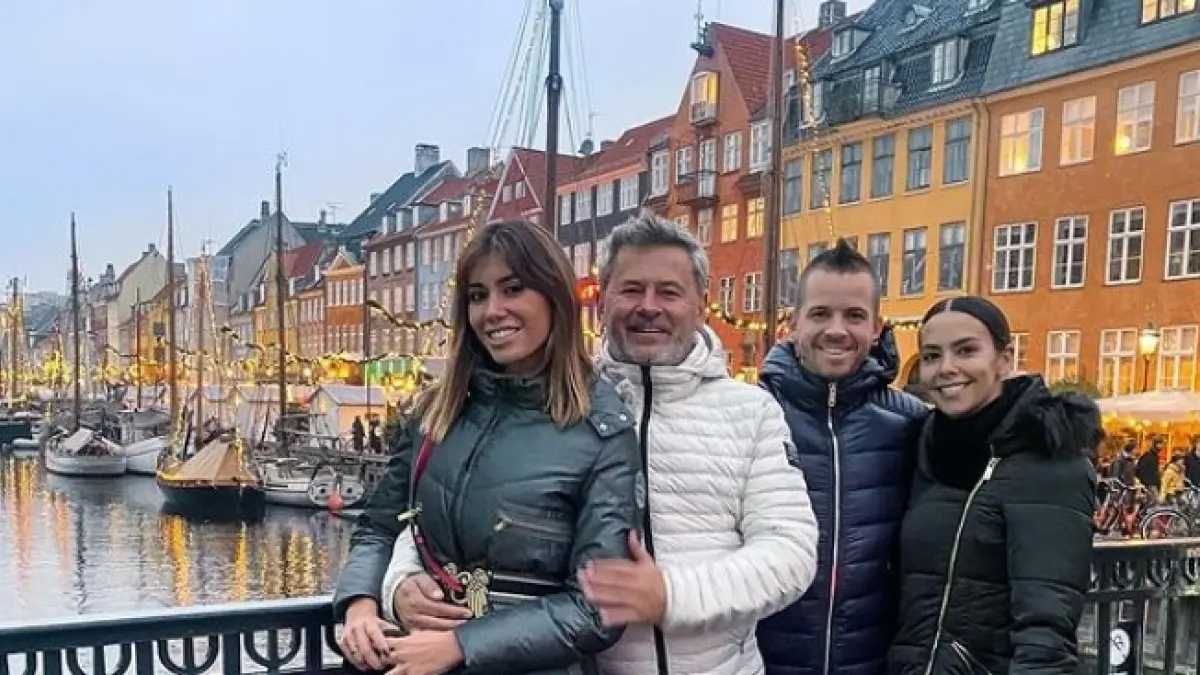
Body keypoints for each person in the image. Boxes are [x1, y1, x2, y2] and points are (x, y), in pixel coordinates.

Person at [334, 219, 642, 675]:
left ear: (554, 295)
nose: (492, 311)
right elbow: (379, 525)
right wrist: (362, 604)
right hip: (416, 660)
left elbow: (599, 608)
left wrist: (461, 644)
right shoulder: (439, 412)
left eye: (513, 289)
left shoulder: (600, 428)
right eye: (478, 296)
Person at [577, 213, 820, 674]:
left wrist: (671, 595)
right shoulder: (569, 407)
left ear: (702, 304)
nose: (649, 306)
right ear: (603, 300)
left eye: (669, 292)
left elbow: (790, 552)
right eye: (631, 289)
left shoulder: (751, 412)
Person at [889, 296, 1097, 675]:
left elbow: (1046, 627)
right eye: (932, 356)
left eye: (966, 350)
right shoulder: (922, 446)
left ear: (1004, 359)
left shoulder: (1048, 459)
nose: (946, 368)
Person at [756, 238, 928, 675]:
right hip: (764, 662)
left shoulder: (910, 422)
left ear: (877, 328)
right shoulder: (753, 415)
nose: (837, 330)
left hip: (871, 662)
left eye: (854, 315)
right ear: (793, 323)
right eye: (820, 314)